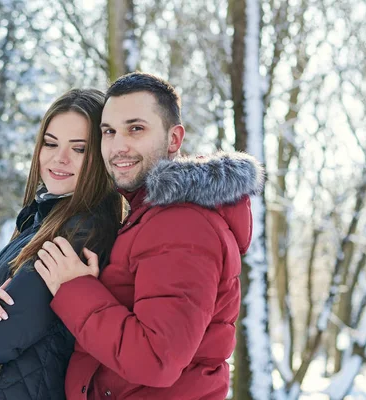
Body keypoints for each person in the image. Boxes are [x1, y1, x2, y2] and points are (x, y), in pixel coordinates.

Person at [35, 72, 265, 399]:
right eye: (109, 132)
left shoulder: (183, 223)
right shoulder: (146, 216)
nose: (118, 146)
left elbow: (157, 360)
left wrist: (74, 289)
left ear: (174, 139)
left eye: (136, 129)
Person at [0, 88, 123, 400]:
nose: (60, 158)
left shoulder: (80, 232)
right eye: (51, 143)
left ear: (101, 155)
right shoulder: (38, 222)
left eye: (79, 149)